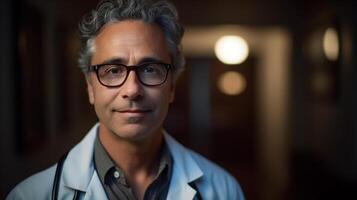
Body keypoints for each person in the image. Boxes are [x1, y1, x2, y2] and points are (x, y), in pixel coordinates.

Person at [6, 0, 245, 199]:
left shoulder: (224, 190)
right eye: (113, 70)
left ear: (171, 86)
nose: (132, 90)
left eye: (150, 69)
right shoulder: (30, 195)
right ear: (90, 87)